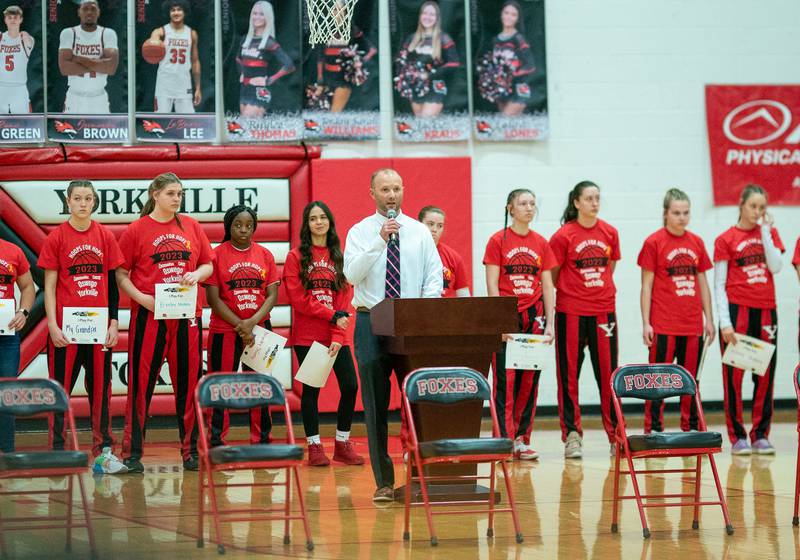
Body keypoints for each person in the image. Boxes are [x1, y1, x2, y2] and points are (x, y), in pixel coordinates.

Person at [344, 168, 442, 502]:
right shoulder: (360, 232)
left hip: (411, 322)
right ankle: (383, 482)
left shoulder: (418, 231)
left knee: (418, 400)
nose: (392, 195)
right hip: (370, 320)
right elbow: (352, 274)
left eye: (397, 189)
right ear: (372, 192)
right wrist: (379, 241)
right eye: (385, 189)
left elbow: (433, 279)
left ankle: (420, 475)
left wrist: (426, 317)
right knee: (374, 404)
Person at [116, 172, 213, 472]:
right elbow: (120, 274)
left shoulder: (193, 226)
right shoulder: (135, 230)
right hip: (149, 316)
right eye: (171, 193)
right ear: (155, 194)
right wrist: (142, 298)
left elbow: (208, 264)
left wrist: (197, 275)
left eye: (180, 194)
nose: (176, 198)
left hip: (186, 317)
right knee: (140, 387)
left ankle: (191, 453)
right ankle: (132, 455)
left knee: (189, 386)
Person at [38, 180, 128, 473]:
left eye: (88, 198)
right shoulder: (56, 238)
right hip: (66, 330)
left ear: (94, 202)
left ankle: (103, 454)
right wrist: (52, 324)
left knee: (101, 392)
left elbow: (113, 285)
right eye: (77, 198)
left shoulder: (104, 236)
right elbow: (49, 287)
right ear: (68, 201)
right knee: (60, 391)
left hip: (99, 329)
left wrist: (114, 322)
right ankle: (56, 452)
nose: (83, 203)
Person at [283, 201, 364, 466]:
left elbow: (344, 300)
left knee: (350, 386)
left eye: (323, 217)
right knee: (312, 391)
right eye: (313, 218)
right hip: (309, 335)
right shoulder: (296, 257)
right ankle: (315, 446)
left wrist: (338, 337)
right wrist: (330, 315)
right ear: (306, 225)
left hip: (336, 335)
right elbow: (298, 298)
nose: (319, 222)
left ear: (329, 222)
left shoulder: (339, 256)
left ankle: (342, 443)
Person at [549, 181, 621, 459]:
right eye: (588, 198)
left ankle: (616, 436)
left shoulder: (610, 232)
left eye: (597, 198)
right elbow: (553, 276)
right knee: (569, 378)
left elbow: (610, 267)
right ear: (576, 203)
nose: (594, 202)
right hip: (571, 312)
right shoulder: (563, 236)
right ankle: (572, 436)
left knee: (609, 376)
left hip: (604, 311)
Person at [483, 189, 555, 460]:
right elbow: (492, 283)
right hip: (507, 317)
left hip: (534, 316)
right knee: (505, 382)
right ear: (510, 208)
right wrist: (496, 319)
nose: (528, 207)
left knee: (529, 379)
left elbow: (548, 284)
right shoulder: (496, 241)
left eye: (532, 203)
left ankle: (521, 439)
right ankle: (503, 439)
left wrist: (550, 323)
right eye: (523, 203)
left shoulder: (541, 242)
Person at [714, 184, 784, 455]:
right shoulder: (726, 239)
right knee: (734, 376)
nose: (757, 212)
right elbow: (719, 283)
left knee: (765, 374)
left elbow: (776, 266)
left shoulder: (770, 233)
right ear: (741, 204)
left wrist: (765, 232)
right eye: (753, 206)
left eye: (762, 207)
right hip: (736, 311)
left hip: (766, 310)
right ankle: (737, 436)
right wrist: (724, 322)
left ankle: (760, 434)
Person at [638, 188, 714, 434]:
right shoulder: (653, 242)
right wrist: (646, 322)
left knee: (691, 381)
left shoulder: (697, 242)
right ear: (666, 213)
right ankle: (654, 430)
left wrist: (709, 320)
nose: (682, 217)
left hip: (692, 325)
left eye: (686, 212)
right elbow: (646, 285)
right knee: (656, 383)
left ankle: (690, 428)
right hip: (663, 324)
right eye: (676, 212)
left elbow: (703, 283)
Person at [205, 204, 279, 447]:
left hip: (260, 329)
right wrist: (241, 325)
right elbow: (213, 300)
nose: (243, 230)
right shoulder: (216, 255)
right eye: (238, 225)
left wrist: (252, 323)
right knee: (221, 385)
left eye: (249, 225)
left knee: (260, 385)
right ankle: (216, 439)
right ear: (228, 226)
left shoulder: (265, 254)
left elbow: (271, 296)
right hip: (225, 330)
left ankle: (262, 439)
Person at [394, 0, 459, 118]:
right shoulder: (412, 39)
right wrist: (407, 75)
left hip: (435, 86)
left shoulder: (443, 38)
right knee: (420, 125)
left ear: (437, 18)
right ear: (420, 16)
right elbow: (401, 60)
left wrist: (430, 75)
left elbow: (454, 63)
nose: (427, 17)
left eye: (432, 14)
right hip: (416, 87)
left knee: (426, 119)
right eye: (425, 13)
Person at [0, 235, 35, 453]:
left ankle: (7, 452)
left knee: (6, 393)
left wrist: (23, 312)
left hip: (6, 337)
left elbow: (28, 287)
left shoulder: (13, 251)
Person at [58, 0, 119, 114]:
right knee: (70, 131)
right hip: (74, 97)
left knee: (102, 131)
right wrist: (99, 64)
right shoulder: (68, 33)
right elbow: (64, 68)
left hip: (99, 97)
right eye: (85, 9)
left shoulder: (108, 33)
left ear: (99, 12)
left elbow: (111, 68)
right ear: (79, 12)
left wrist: (77, 58)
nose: (89, 12)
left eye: (93, 9)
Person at [236, 1, 295, 118]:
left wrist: (269, 80)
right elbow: (238, 58)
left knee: (247, 123)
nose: (257, 17)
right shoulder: (245, 39)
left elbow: (289, 65)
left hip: (260, 91)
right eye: (255, 13)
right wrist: (242, 73)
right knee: (248, 132)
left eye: (261, 14)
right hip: (244, 89)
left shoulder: (269, 42)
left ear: (268, 17)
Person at [480, 0, 535, 116]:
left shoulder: (519, 39)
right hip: (503, 91)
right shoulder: (495, 40)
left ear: (517, 18)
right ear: (501, 14)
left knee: (506, 119)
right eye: (506, 13)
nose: (509, 17)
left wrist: (510, 75)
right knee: (505, 129)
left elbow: (530, 66)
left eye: (513, 14)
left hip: (519, 88)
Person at [148, 0, 200, 113]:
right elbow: (152, 42)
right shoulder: (160, 32)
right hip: (164, 84)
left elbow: (195, 61)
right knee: (160, 122)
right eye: (173, 10)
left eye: (179, 10)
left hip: (184, 83)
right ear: (169, 13)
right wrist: (153, 43)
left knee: (187, 122)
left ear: (185, 12)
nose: (176, 13)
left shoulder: (191, 34)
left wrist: (198, 88)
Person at [311, 23, 376, 112]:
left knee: (335, 112)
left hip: (342, 78)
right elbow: (320, 57)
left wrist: (360, 61)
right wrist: (320, 79)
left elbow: (371, 49)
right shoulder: (324, 28)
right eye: (334, 10)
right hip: (326, 77)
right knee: (321, 111)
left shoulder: (351, 28)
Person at [418, 206, 469, 297]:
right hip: (414, 307)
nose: (434, 229)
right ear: (419, 224)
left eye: (440, 226)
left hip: (445, 309)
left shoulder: (453, 257)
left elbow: (464, 296)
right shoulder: (408, 254)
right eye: (430, 224)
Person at [0, 5, 34, 114]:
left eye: (15, 17)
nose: (12, 20)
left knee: (24, 124)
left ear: (21, 19)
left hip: (19, 88)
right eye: (9, 17)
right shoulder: (1, 37)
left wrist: (23, 34)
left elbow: (29, 43)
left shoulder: (25, 38)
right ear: (5, 20)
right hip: (1, 87)